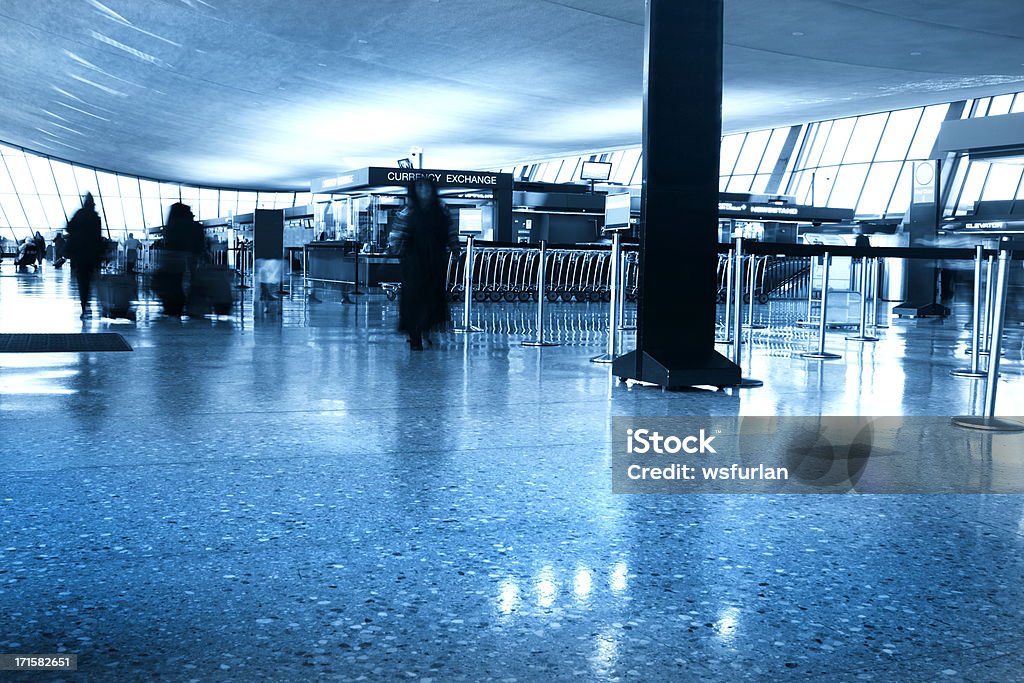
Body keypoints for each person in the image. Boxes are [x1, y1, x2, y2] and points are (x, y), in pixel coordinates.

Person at [387, 177, 460, 350]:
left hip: (435, 263)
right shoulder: (408, 212)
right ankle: (415, 335)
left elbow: (450, 232)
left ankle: (426, 328)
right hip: (414, 263)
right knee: (414, 299)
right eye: (420, 187)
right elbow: (397, 235)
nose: (424, 191)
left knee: (432, 298)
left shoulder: (442, 211)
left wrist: (456, 249)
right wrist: (395, 250)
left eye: (426, 187)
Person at [153, 202, 205, 317]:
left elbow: (166, 243)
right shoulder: (194, 226)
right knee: (185, 281)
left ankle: (172, 307)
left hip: (171, 258)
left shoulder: (171, 225)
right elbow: (199, 244)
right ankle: (185, 306)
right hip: (188, 257)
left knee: (172, 282)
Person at [65, 193, 105, 318]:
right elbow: (98, 237)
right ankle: (89, 302)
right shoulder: (96, 217)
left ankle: (84, 305)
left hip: (79, 253)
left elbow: (69, 227)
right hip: (91, 253)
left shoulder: (79, 214)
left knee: (82, 280)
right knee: (90, 279)